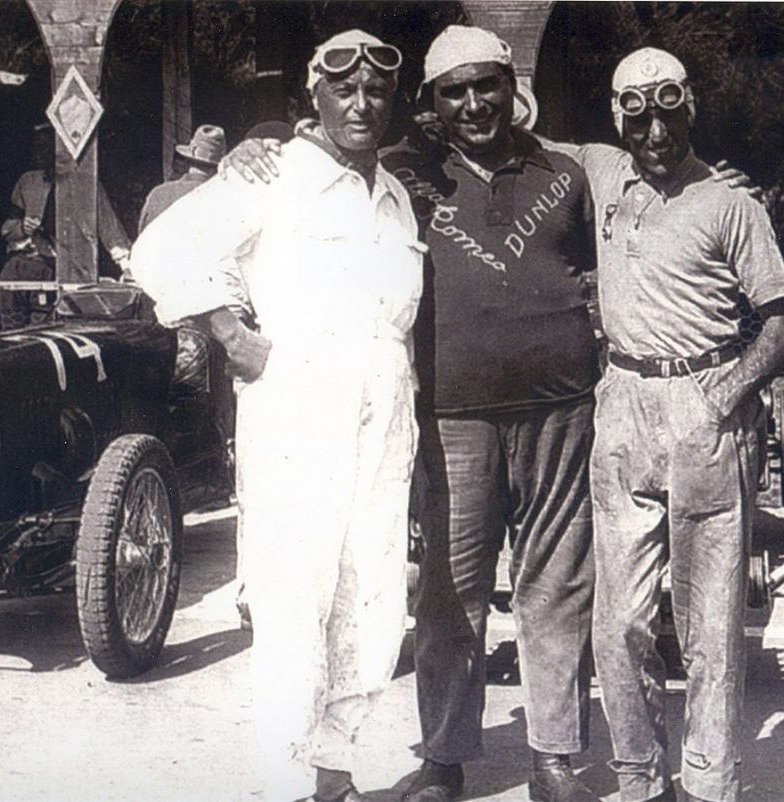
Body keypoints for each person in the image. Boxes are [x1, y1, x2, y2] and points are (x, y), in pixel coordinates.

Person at [227, 24, 602, 802]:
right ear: (432, 102)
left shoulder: (567, 173)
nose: (474, 104)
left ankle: (554, 758)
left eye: (487, 85)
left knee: (556, 588)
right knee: (451, 596)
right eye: (454, 92)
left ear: (513, 88)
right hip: (452, 416)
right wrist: (249, 149)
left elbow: (616, 243)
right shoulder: (400, 174)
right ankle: (443, 760)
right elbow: (316, 156)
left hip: (560, 411)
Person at [130, 29, 423, 802]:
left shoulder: (395, 195)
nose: (361, 105)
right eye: (344, 90)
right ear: (313, 96)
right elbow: (160, 251)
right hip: (298, 405)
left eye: (377, 91)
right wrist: (230, 333)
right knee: (295, 594)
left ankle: (334, 772)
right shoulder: (273, 173)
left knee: (372, 594)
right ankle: (288, 779)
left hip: (384, 411)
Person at [581, 48, 784, 802]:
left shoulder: (732, 205)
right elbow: (513, 131)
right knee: (618, 622)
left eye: (669, 111)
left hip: (703, 407)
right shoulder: (601, 172)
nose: (655, 130)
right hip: (622, 403)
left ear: (691, 110)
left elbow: (783, 321)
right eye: (637, 115)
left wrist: (722, 396)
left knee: (709, 625)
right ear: (618, 120)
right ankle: (641, 779)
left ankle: (710, 783)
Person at [0, 124, 131, 329]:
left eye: (44, 147)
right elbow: (7, 229)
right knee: (9, 333)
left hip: (52, 270)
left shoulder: (87, 186)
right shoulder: (28, 182)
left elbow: (110, 228)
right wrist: (23, 227)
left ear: (59, 151)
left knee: (41, 331)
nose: (37, 153)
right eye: (36, 147)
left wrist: (127, 266)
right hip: (18, 267)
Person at [137, 124, 228, 232]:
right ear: (220, 166)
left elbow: (143, 237)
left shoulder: (160, 194)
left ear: (187, 160)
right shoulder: (227, 202)